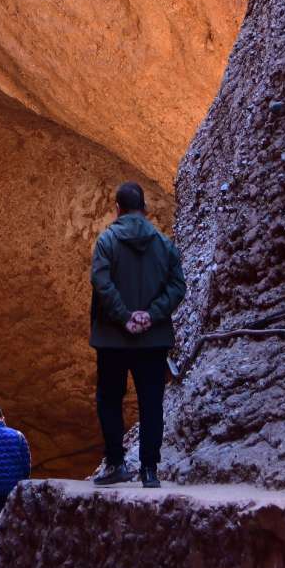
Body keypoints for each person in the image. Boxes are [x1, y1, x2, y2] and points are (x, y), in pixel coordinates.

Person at [89, 180, 186, 489]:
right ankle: (149, 470)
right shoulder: (163, 244)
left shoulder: (107, 242)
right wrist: (151, 314)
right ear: (145, 209)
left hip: (112, 339)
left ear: (117, 209)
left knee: (109, 399)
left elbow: (101, 283)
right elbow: (177, 286)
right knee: (151, 402)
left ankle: (116, 463)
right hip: (152, 338)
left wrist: (124, 316)